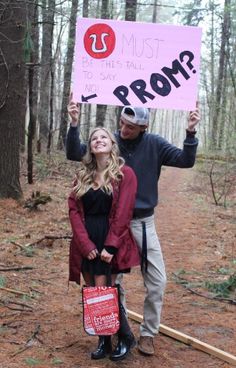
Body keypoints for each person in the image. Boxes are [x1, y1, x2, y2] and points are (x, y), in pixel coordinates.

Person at [66, 100, 200, 356]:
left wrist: (191, 132)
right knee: (112, 282)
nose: (124, 129)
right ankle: (117, 330)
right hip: (110, 224)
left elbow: (185, 160)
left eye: (131, 127)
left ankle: (148, 333)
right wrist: (74, 123)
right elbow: (76, 153)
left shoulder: (155, 144)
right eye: (122, 124)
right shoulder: (109, 142)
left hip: (141, 222)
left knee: (157, 280)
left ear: (143, 127)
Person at [68, 127, 140, 361]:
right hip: (86, 240)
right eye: (94, 138)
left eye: (103, 137)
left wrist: (111, 246)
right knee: (91, 292)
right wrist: (84, 243)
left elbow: (123, 212)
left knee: (103, 291)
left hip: (108, 238)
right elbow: (73, 210)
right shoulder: (82, 176)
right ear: (90, 147)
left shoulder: (124, 174)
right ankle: (104, 340)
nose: (98, 140)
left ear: (112, 143)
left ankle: (125, 336)